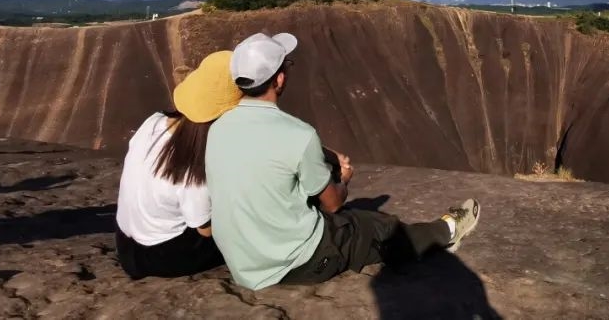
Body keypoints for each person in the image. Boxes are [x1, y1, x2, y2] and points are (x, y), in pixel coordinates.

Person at [206, 31, 481, 291]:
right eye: (287, 66)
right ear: (278, 80)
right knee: (376, 227)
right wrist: (343, 180)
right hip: (295, 264)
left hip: (242, 264)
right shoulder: (298, 134)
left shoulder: (218, 128)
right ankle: (448, 231)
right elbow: (334, 204)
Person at [114, 50, 241, 279]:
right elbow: (205, 230)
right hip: (161, 255)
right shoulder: (194, 167)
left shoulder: (153, 122)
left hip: (125, 241)